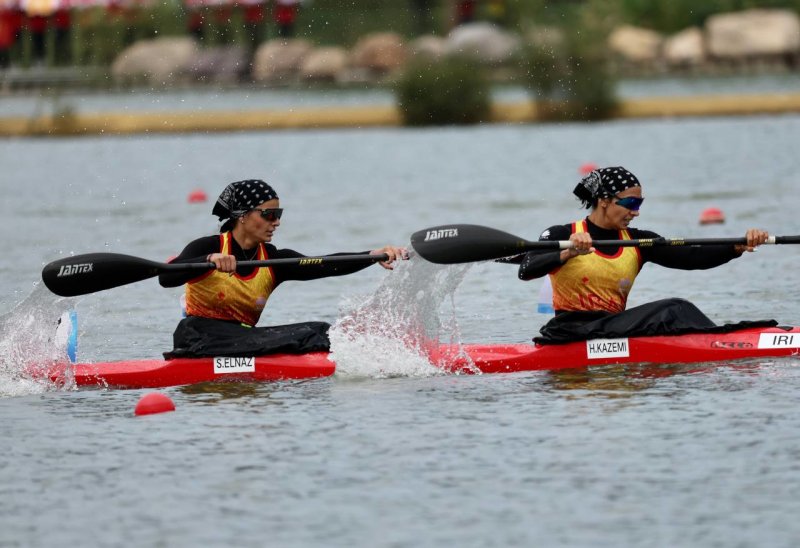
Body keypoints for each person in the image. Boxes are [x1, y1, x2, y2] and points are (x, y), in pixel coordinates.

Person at [515, 166, 774, 343]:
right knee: (674, 308)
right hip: (569, 332)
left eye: (639, 204)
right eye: (630, 203)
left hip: (612, 328)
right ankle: (724, 342)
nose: (636, 212)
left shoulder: (637, 241)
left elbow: (692, 257)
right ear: (604, 200)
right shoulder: (562, 233)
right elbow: (526, 269)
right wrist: (568, 252)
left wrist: (737, 246)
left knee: (674, 310)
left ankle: (721, 340)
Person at [159, 179, 407, 358]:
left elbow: (325, 264)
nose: (276, 222)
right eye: (269, 214)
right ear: (243, 215)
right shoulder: (209, 245)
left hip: (240, 338)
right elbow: (167, 277)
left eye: (279, 214)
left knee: (321, 330)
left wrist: (370, 256)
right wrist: (209, 260)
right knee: (315, 332)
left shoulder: (274, 260)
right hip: (198, 338)